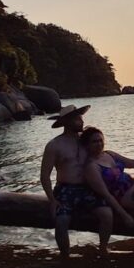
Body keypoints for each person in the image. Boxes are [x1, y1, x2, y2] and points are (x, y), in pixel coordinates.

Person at [40, 105, 117, 258]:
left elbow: (103, 157)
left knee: (107, 215)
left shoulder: (86, 142)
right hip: (65, 190)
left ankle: (103, 249)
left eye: (81, 117)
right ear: (66, 122)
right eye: (77, 118)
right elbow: (44, 175)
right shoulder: (54, 145)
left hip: (88, 189)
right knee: (61, 222)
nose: (81, 121)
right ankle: (65, 256)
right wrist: (52, 200)